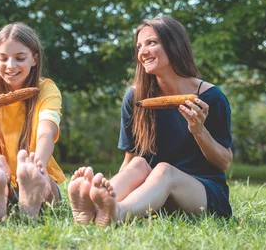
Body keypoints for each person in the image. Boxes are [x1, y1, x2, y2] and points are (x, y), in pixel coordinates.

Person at [68, 16, 233, 225]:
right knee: (138, 163)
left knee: (164, 170)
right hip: (152, 192)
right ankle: (93, 210)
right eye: (139, 46)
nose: (142, 52)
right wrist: (112, 190)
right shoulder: (136, 98)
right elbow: (129, 161)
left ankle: (118, 213)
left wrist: (199, 130)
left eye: (151, 43)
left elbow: (224, 161)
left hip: (203, 194)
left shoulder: (210, 97)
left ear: (175, 45)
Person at [0, 22, 65, 221]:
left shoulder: (47, 89)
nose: (10, 66)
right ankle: (1, 200)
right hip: (2, 177)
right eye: (3, 58)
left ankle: (29, 194)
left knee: (44, 186)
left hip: (41, 178)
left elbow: (46, 132)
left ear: (34, 59)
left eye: (20, 58)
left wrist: (37, 168)